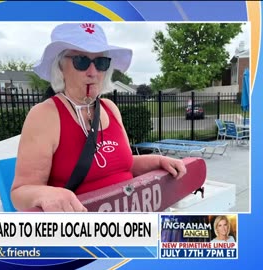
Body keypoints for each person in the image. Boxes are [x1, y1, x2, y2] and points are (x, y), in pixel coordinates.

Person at [10, 23, 187, 212]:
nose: (93, 72)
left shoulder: (109, 108)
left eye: (101, 62)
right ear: (61, 66)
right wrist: (44, 194)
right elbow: (20, 193)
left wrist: (157, 161)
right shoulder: (44, 115)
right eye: (81, 61)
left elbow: (120, 165)